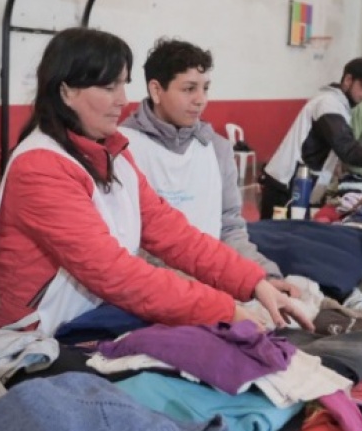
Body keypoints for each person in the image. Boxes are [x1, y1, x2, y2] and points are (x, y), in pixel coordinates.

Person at [0, 27, 312, 335]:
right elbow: (114, 272)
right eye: (109, 87)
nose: (122, 99)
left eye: (123, 84)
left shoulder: (114, 154)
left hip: (84, 314)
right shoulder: (40, 167)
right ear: (66, 91)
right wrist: (223, 309)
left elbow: (173, 233)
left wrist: (253, 283)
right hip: (32, 334)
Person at [118, 38, 289, 287]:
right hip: (152, 288)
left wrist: (263, 276)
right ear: (156, 90)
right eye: (189, 89)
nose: (201, 100)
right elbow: (120, 242)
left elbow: (230, 229)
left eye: (205, 88)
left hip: (212, 282)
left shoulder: (217, 149)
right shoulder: (122, 148)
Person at [259, 57, 362, 219]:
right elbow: (348, 150)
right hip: (287, 186)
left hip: (300, 185)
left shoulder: (340, 105)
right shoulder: (328, 104)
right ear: (348, 79)